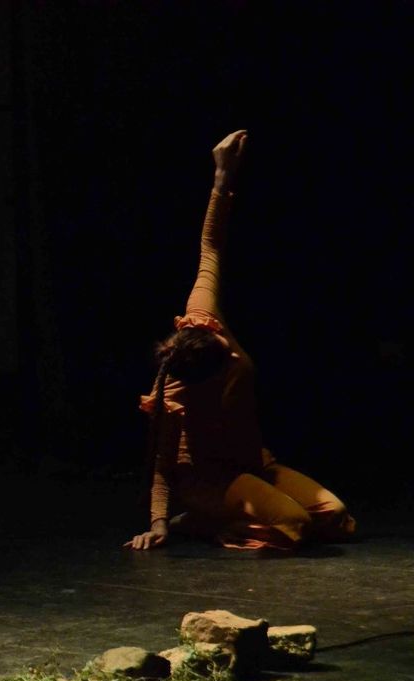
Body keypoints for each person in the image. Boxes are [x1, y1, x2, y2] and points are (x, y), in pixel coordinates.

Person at [126, 130, 356, 552]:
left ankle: (238, 515)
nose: (233, 350)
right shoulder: (174, 392)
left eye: (224, 344)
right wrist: (158, 524)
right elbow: (162, 464)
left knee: (336, 519)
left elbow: (210, 247)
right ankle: (205, 522)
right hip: (211, 482)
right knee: (295, 526)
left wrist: (222, 176)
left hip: (254, 464)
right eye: (225, 357)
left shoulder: (203, 315)